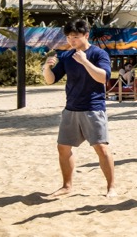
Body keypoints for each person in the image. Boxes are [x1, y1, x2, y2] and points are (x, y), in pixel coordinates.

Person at [42, 19, 116, 197]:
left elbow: (103, 78)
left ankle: (111, 187)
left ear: (86, 35)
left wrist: (85, 62)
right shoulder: (67, 56)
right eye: (68, 37)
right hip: (71, 109)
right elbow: (51, 79)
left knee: (101, 148)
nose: (71, 41)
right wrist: (46, 67)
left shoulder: (99, 54)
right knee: (63, 147)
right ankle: (67, 186)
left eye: (75, 37)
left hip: (93, 108)